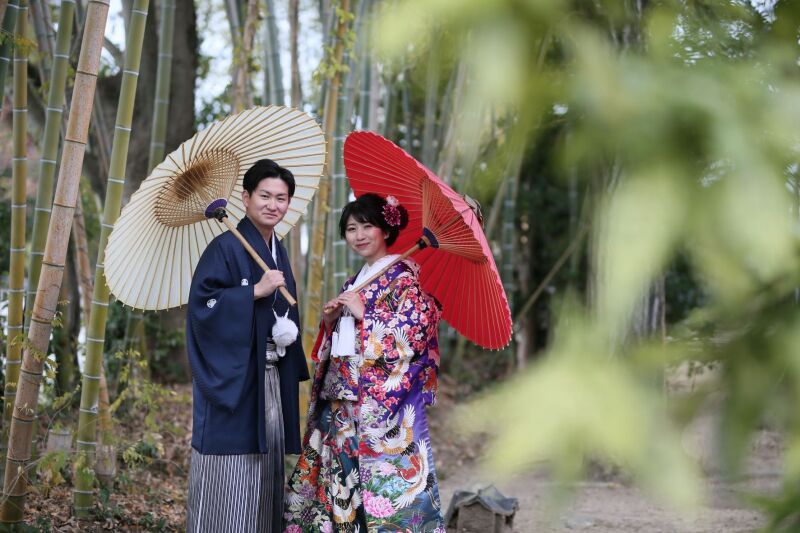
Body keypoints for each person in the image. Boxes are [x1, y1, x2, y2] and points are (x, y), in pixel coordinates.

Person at [284, 193, 445, 532]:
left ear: (386, 229)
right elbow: (344, 341)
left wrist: (366, 315)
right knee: (340, 480)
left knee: (374, 485)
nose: (358, 235)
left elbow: (416, 330)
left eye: (367, 226)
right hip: (341, 398)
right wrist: (331, 323)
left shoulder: (403, 277)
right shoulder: (356, 280)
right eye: (351, 228)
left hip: (374, 404)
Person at [186, 159, 308, 533]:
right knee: (233, 466)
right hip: (235, 379)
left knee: (265, 461)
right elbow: (201, 308)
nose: (273, 204)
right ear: (245, 197)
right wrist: (254, 291)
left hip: (269, 375)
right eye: (265, 195)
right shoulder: (224, 247)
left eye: (282, 198)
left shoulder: (276, 248)